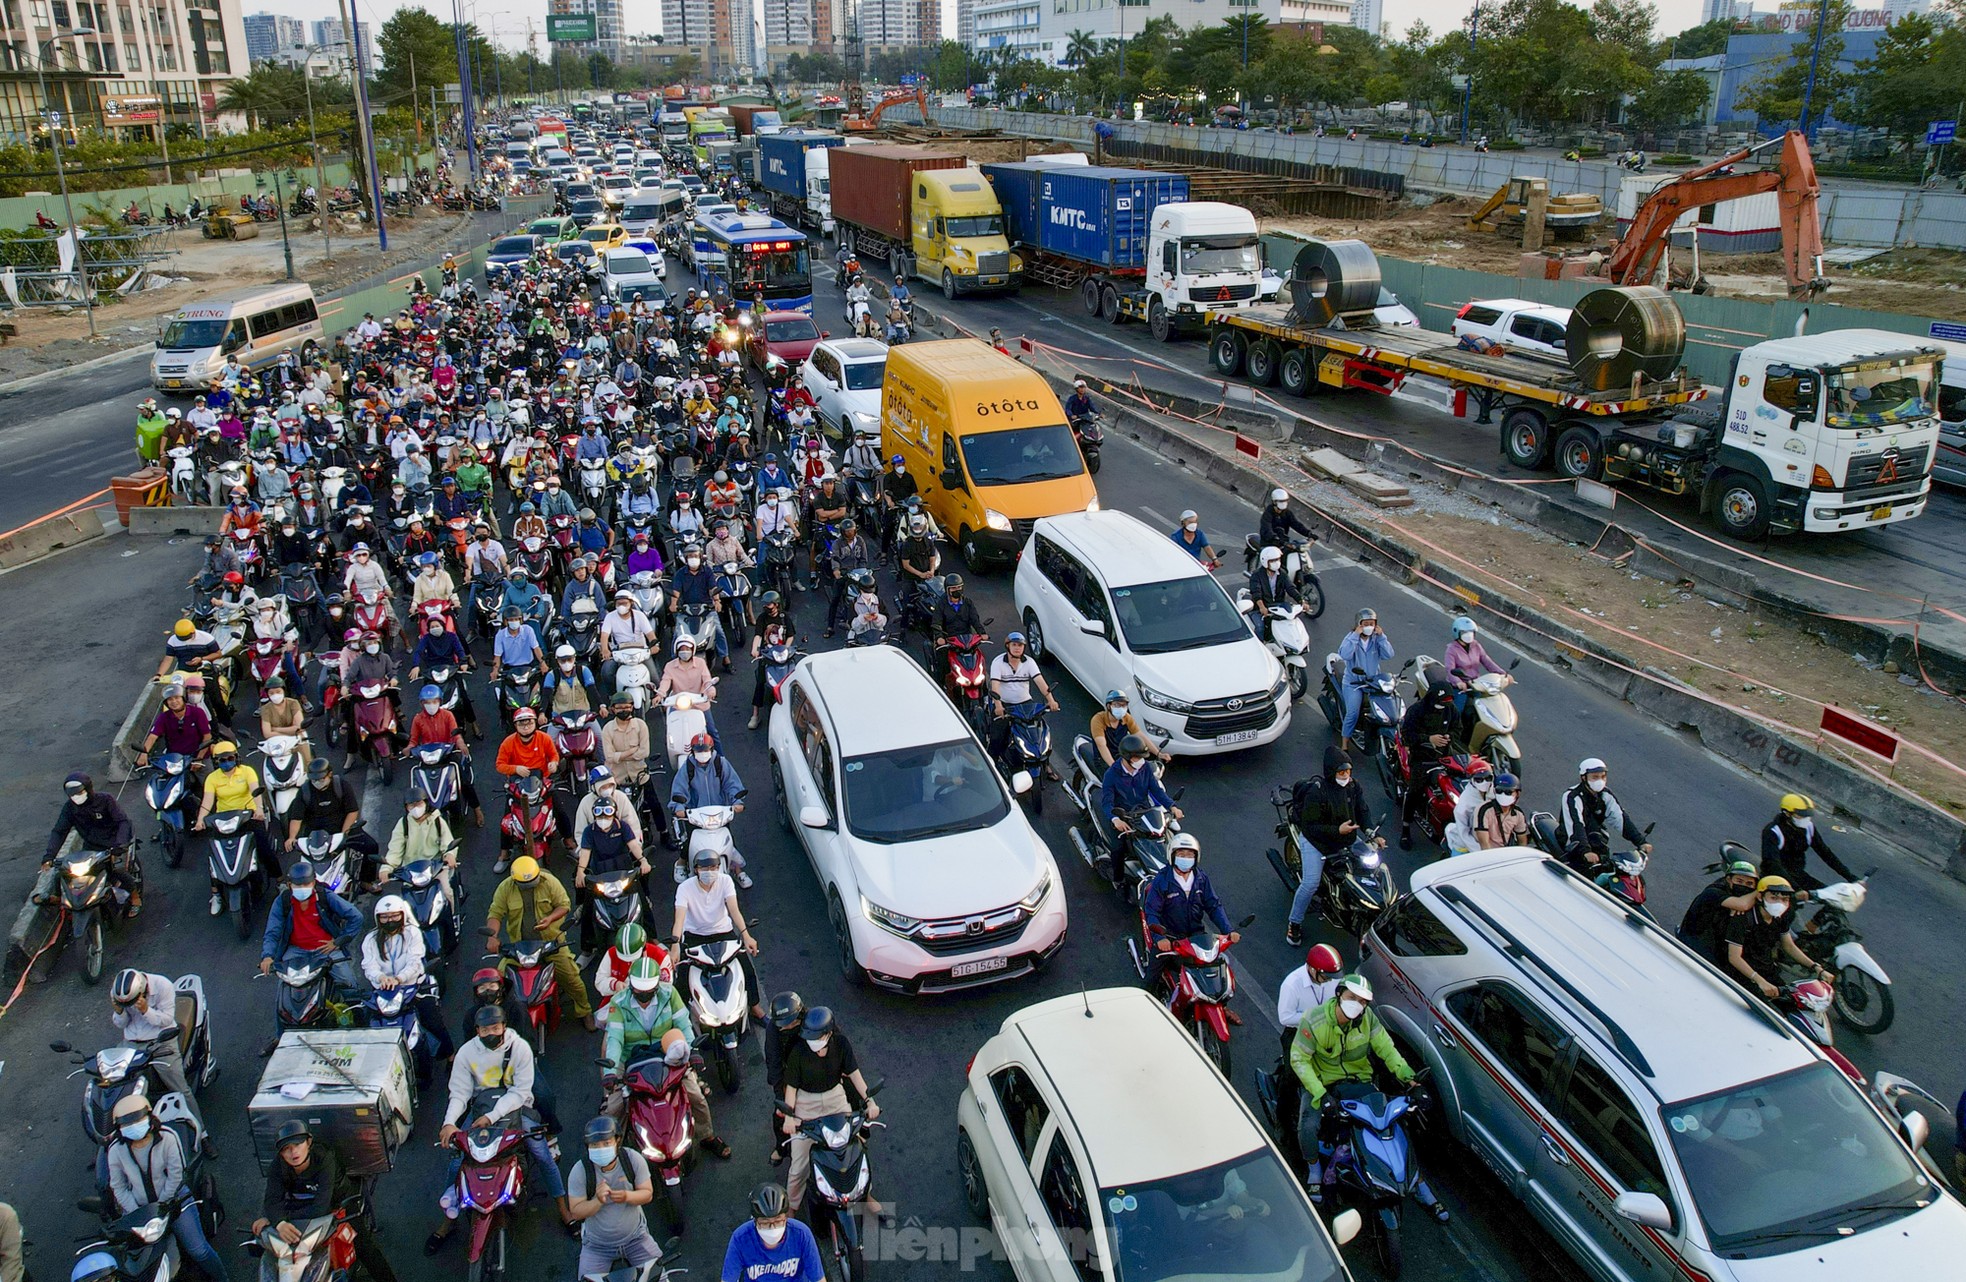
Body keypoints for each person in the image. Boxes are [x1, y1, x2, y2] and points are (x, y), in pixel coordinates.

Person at [1288, 975, 1439, 1215]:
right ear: (1339, 995)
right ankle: (1314, 1168)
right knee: (1308, 1125)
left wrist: (1410, 1081)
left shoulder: (1368, 1019)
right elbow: (1299, 1060)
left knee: (1395, 1126)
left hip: (1360, 1082)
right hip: (1322, 1084)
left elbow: (1388, 1051)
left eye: (1363, 1001)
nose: (1356, 1005)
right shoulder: (1313, 1020)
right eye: (1352, 998)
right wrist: (1321, 1094)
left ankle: (1417, 1182)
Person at [427, 1006, 573, 1251]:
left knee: (541, 1153)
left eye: (495, 1028)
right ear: (477, 1031)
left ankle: (564, 1209)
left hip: (518, 1108)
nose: (491, 1033)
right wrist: (449, 1123)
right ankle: (449, 1219)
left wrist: (491, 1117)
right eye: (485, 1029)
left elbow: (521, 1092)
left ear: (504, 1026)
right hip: (480, 1109)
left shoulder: (520, 1048)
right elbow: (460, 1094)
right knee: (457, 1161)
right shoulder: (466, 1053)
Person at [600, 959, 731, 1159]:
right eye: (638, 992)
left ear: (656, 986)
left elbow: (684, 1025)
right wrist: (610, 1074)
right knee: (614, 1107)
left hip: (667, 1054)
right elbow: (615, 1040)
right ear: (631, 986)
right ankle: (613, 1154)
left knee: (696, 1096)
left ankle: (707, 1136)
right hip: (631, 1059)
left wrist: (693, 1051)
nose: (643, 997)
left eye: (648, 992)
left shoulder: (670, 994)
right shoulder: (617, 1002)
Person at [256, 1121, 400, 1282]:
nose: (293, 1152)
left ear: (309, 1142)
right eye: (286, 1149)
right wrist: (279, 1222)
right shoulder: (278, 1166)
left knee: (365, 1247)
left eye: (298, 1144)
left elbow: (321, 1206)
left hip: (337, 1204)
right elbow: (271, 1198)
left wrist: (280, 1219)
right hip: (302, 1208)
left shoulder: (325, 1158)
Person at [780, 1007, 879, 1215]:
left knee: (856, 1149)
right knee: (799, 1164)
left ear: (828, 1033)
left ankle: (866, 1194)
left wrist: (870, 1102)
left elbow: (854, 1074)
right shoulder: (798, 1050)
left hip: (835, 1097)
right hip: (806, 1103)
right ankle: (792, 1208)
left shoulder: (841, 1044)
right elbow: (791, 1088)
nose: (812, 1041)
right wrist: (790, 1117)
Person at [485, 855, 596, 1029]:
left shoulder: (550, 882)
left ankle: (584, 1011)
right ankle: (499, 1019)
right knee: (497, 981)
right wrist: (492, 936)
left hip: (550, 944)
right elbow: (495, 913)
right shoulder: (505, 888)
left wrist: (550, 919)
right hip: (520, 947)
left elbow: (564, 905)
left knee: (571, 978)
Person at [1285, 747, 1376, 946]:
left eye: (1348, 772)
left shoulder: (1353, 787)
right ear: (1331, 772)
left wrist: (1371, 832)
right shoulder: (1317, 792)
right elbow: (1310, 827)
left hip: (1346, 837)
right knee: (1310, 884)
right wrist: (1337, 831)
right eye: (1341, 772)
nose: (1346, 776)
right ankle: (1294, 924)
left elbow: (1362, 809)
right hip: (1316, 841)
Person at [359, 894, 452, 1085]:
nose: (389, 921)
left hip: (412, 986)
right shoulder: (370, 939)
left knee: (432, 1019)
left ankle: (450, 1056)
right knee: (366, 1022)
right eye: (384, 917)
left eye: (394, 916)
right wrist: (381, 978)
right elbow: (369, 966)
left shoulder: (413, 933)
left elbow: (415, 961)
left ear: (402, 915)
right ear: (378, 919)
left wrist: (399, 978)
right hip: (385, 992)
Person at [670, 848, 765, 1023]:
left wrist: (746, 936)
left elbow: (734, 911)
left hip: (723, 932)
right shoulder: (685, 888)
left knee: (747, 969)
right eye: (705, 869)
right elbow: (679, 920)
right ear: (696, 870)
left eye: (714, 868)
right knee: (682, 976)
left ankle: (755, 1007)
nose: (709, 872)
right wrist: (675, 945)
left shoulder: (726, 881)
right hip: (694, 935)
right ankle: (680, 1020)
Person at [108, 969, 208, 1134]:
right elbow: (121, 1024)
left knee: (180, 1088)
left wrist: (146, 1010)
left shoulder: (163, 986)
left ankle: (202, 1133)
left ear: (142, 991)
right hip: (133, 1043)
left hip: (161, 1040)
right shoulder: (119, 994)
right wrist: (119, 1012)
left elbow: (167, 1019)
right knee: (119, 1086)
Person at [566, 1116, 666, 1279]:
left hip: (636, 1239)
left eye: (606, 1143)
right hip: (597, 1247)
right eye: (595, 1145)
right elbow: (576, 1212)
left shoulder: (632, 1159)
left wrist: (628, 1196)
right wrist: (598, 1201)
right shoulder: (580, 1171)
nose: (600, 1148)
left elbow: (647, 1194)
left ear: (617, 1141)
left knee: (660, 1278)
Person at [259, 859, 363, 1002]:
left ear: (313, 883)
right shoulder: (282, 901)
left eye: (306, 884)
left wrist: (338, 941)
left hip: (326, 950)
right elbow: (273, 931)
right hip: (296, 950)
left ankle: (356, 1014)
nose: (302, 888)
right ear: (290, 885)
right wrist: (268, 956)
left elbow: (356, 917)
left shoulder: (326, 896)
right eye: (298, 885)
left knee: (349, 986)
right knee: (285, 993)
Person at [1140, 834, 1238, 987]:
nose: (1185, 858)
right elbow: (1152, 912)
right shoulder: (1162, 880)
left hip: (1196, 937)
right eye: (1181, 854)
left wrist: (1228, 930)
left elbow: (1213, 905)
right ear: (1172, 856)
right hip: (1170, 937)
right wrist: (1160, 939)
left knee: (1215, 977)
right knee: (1151, 981)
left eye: (1189, 854)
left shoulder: (1201, 879)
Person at [1271, 943, 1344, 1141]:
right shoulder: (1292, 984)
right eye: (1326, 976)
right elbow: (1285, 1017)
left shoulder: (1332, 979)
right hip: (1298, 1034)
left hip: (1326, 1030)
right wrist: (1315, 1016)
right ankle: (1282, 1122)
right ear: (1312, 969)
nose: (1329, 980)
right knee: (1292, 1077)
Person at [45, 770, 141, 917]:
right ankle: (60, 899)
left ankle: (135, 898)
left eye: (79, 793)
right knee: (64, 874)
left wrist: (119, 845)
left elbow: (122, 821)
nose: (76, 798)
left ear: (88, 789)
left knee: (119, 870)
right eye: (72, 795)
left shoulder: (105, 800)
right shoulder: (70, 808)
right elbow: (59, 831)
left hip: (114, 845)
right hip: (91, 848)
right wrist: (49, 855)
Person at [1724, 875, 1833, 1001]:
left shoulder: (1779, 918)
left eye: (1784, 899)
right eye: (1774, 898)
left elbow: (1789, 946)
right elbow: (1734, 957)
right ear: (1760, 897)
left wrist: (1816, 968)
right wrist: (1760, 981)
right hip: (1743, 976)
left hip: (1768, 972)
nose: (1779, 903)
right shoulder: (1743, 918)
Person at [196, 743, 269, 913]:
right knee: (213, 855)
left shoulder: (247, 771)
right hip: (223, 819)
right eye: (222, 760)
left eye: (230, 758)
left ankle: (279, 880)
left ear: (236, 757)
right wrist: (200, 820)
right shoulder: (212, 778)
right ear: (217, 762)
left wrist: (258, 810)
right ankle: (216, 894)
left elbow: (255, 791)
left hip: (247, 816)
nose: (227, 762)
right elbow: (207, 802)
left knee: (264, 847)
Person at [669, 733, 749, 885]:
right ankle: (681, 862)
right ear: (692, 751)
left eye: (705, 750)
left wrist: (737, 801)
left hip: (719, 813)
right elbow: (679, 790)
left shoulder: (721, 763)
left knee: (729, 841)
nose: (702, 753)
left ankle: (738, 871)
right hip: (696, 814)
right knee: (690, 843)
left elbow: (732, 784)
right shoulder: (688, 767)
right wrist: (679, 807)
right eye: (699, 750)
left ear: (712, 749)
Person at [1096, 735, 1181, 876]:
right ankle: (1119, 880)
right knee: (1118, 850)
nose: (1141, 761)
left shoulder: (1145, 768)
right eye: (1137, 758)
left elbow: (1156, 790)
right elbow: (1107, 803)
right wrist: (1115, 819)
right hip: (1123, 817)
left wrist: (1172, 806)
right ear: (1127, 757)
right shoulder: (1111, 775)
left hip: (1144, 813)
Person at [288, 758, 378, 884]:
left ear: (329, 774)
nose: (317, 782)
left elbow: (352, 811)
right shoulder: (304, 791)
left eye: (321, 779)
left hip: (342, 829)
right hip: (315, 834)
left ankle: (367, 881)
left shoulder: (342, 786)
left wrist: (344, 834)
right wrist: (292, 837)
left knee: (370, 846)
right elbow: (296, 817)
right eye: (314, 780)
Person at [1395, 680, 1457, 850]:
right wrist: (1429, 739)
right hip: (1421, 758)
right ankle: (1406, 828)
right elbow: (1408, 735)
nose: (1443, 706)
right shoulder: (1416, 711)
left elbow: (1457, 729)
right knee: (1414, 791)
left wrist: (1448, 737)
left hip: (1444, 757)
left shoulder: (1450, 710)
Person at [1558, 757, 1650, 870]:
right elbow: (1576, 825)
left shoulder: (1606, 795)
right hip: (1572, 842)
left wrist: (1640, 842)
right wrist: (1585, 851)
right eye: (1595, 777)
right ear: (1583, 778)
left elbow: (1620, 818)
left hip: (1596, 840)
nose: (1600, 780)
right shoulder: (1572, 796)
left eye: (1603, 776)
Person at [722, 1183, 824, 1282]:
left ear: (786, 1218)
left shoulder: (802, 1234)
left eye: (778, 1221)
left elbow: (818, 1278)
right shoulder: (740, 1238)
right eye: (765, 1223)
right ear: (755, 1221)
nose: (773, 1228)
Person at [1676, 852, 1762, 966]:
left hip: (1717, 942)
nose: (1744, 885)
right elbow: (1742, 905)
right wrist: (1760, 889)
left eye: (1749, 883)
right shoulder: (1714, 892)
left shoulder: (1745, 897)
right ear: (1729, 879)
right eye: (1739, 881)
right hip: (1695, 939)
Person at [1760, 793, 1855, 892]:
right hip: (1775, 877)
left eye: (1807, 816)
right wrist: (1797, 889)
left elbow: (1825, 853)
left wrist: (1850, 877)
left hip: (1798, 875)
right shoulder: (1773, 831)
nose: (1805, 819)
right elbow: (1772, 864)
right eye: (1800, 815)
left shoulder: (1809, 828)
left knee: (1831, 898)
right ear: (1787, 814)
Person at [987, 631, 1058, 759]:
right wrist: (998, 705)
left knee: (1039, 733)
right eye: (1014, 645)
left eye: (1020, 645)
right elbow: (995, 686)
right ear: (1008, 646)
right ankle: (993, 762)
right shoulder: (998, 662)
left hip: (1025, 703)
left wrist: (1051, 700)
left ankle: (1045, 764)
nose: (1017, 648)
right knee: (997, 735)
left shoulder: (1029, 662)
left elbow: (1040, 682)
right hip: (1004, 704)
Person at [1337, 608, 1394, 751]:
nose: (1369, 627)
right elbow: (1345, 654)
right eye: (1365, 624)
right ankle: (1344, 743)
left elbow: (1389, 655)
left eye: (1372, 623)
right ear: (1358, 624)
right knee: (1353, 713)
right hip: (1354, 684)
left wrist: (1382, 637)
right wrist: (1355, 636)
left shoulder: (1376, 639)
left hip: (1373, 682)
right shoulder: (1351, 637)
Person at [135, 683, 214, 769]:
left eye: (177, 698)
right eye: (170, 699)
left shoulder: (198, 713)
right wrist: (144, 754)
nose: (174, 702)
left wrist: (199, 758)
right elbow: (152, 736)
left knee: (207, 780)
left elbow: (207, 736)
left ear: (183, 698)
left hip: (197, 757)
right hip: (175, 760)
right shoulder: (164, 717)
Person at [1087, 690, 1167, 769]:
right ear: (1109, 706)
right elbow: (1102, 745)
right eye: (1117, 705)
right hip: (1103, 759)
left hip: (1122, 755)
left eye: (1124, 705)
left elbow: (1140, 735)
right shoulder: (1098, 720)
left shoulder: (1126, 718)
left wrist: (1158, 754)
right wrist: (1114, 767)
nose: (1121, 708)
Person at [593, 923, 669, 1002]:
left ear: (643, 947)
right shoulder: (611, 953)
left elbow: (666, 990)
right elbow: (599, 981)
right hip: (619, 1001)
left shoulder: (660, 957)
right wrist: (615, 985)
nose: (628, 961)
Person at [1246, 546, 1303, 643]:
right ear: (1265, 562)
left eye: (1277, 559)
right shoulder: (1257, 575)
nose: (1276, 562)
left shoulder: (1282, 573)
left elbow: (1290, 587)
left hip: (1278, 607)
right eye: (1273, 560)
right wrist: (1261, 607)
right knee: (1260, 627)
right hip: (1261, 609)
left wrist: (1301, 600)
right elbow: (1256, 592)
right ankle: (1260, 647)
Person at [1472, 772, 1528, 850]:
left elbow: (1522, 841)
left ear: (1517, 794)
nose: (1503, 795)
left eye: (1508, 792)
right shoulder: (1484, 810)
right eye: (1499, 791)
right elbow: (1484, 844)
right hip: (1485, 852)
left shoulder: (1518, 814)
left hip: (1506, 851)